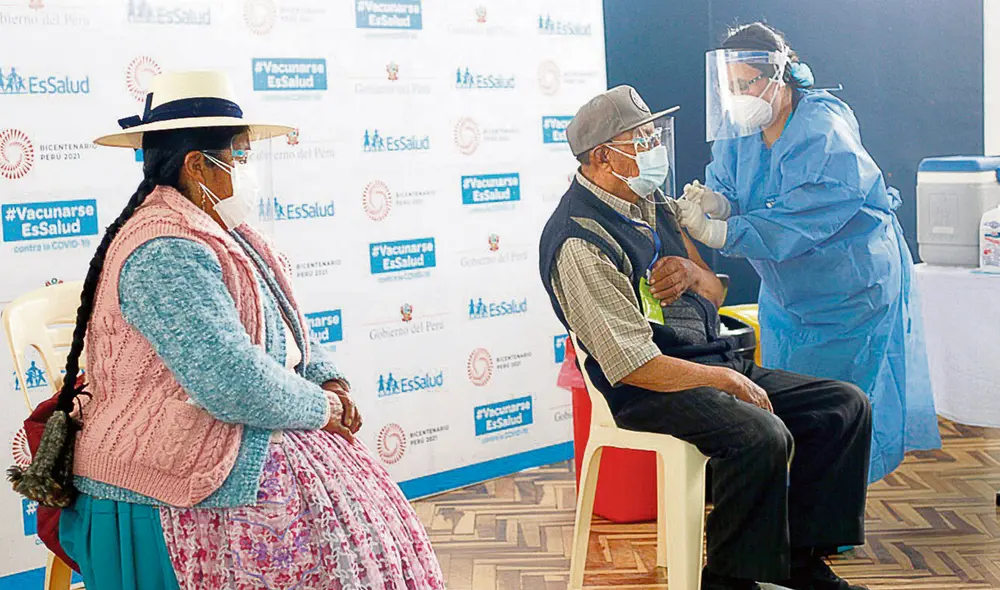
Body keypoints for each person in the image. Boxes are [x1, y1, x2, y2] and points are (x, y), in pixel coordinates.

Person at [9, 71, 443, 589]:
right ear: (197, 165)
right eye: (238, 155)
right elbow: (230, 381)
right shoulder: (164, 251)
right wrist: (323, 410)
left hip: (223, 431)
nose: (244, 167)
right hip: (160, 472)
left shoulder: (225, 232)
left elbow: (288, 329)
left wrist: (328, 380)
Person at [539, 85, 872, 590]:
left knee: (843, 406)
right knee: (759, 435)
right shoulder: (578, 240)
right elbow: (632, 365)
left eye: (655, 134)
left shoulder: (653, 204)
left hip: (704, 360)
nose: (655, 147)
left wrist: (693, 278)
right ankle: (729, 581)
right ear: (603, 156)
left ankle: (799, 561)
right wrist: (726, 382)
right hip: (646, 386)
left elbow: (714, 292)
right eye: (642, 138)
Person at [678, 23, 940, 483]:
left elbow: (805, 217)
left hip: (850, 290)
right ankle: (799, 512)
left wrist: (722, 232)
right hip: (790, 294)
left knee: (840, 406)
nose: (740, 95)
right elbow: (734, 187)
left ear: (780, 76)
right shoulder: (742, 131)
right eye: (732, 86)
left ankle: (830, 522)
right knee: (788, 401)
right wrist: (717, 202)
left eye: (749, 83)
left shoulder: (822, 126)